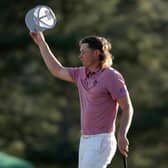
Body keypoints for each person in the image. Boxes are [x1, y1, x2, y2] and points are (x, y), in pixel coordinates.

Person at [30, 31, 134, 168]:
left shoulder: (111, 76)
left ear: (96, 53)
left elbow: (127, 107)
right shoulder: (81, 74)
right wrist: (42, 43)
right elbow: (56, 70)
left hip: (102, 140)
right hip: (85, 140)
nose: (80, 56)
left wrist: (122, 134)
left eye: (84, 52)